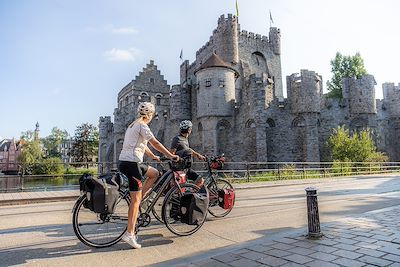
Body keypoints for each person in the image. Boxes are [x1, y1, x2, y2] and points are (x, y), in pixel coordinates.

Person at [118, 102, 179, 249]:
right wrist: (170, 155)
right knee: (134, 201)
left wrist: (154, 157)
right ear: (150, 115)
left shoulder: (133, 125)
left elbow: (142, 145)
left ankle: (142, 197)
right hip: (132, 164)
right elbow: (155, 143)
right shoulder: (142, 125)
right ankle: (130, 234)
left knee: (155, 173)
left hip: (130, 162)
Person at [170, 120, 206, 187]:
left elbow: (189, 149)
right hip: (179, 169)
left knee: (200, 180)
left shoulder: (184, 139)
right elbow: (172, 153)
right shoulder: (177, 139)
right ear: (189, 130)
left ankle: (191, 194)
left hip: (186, 168)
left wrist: (198, 155)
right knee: (178, 188)